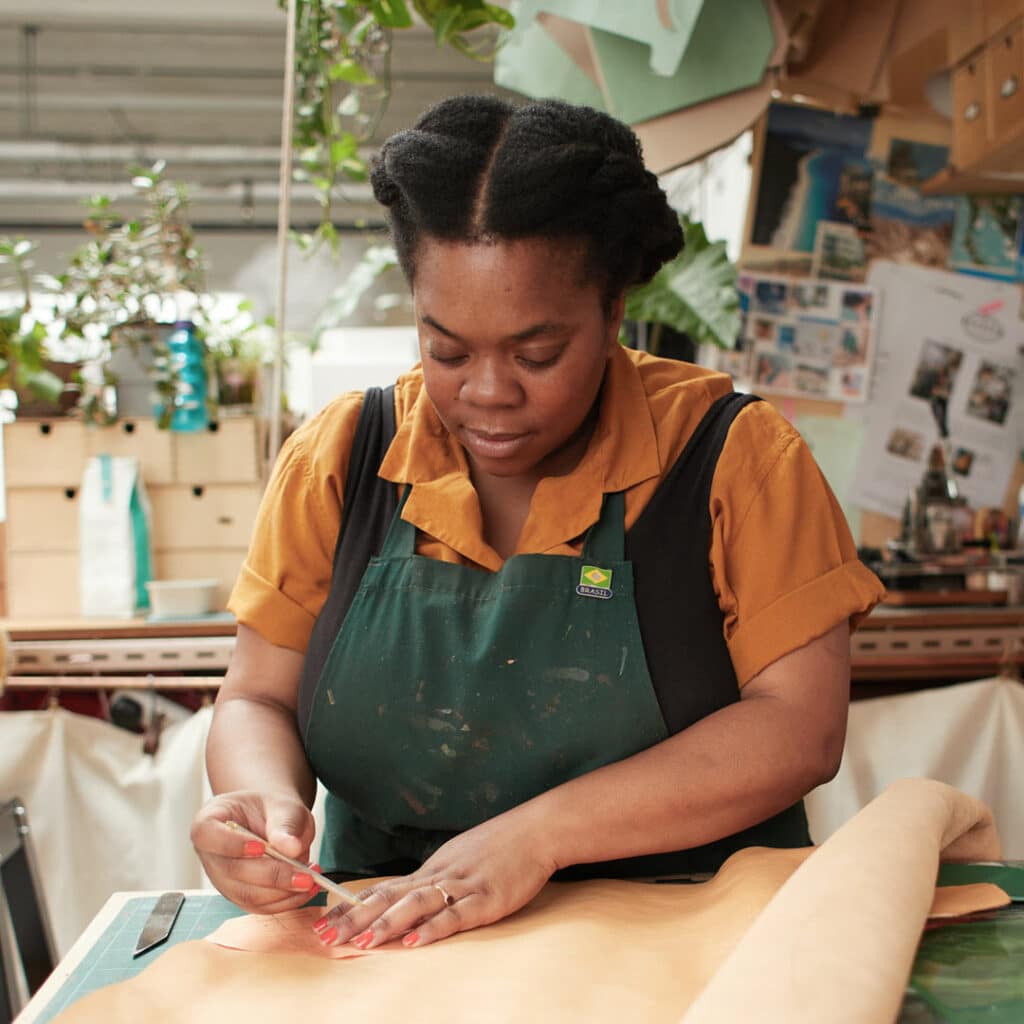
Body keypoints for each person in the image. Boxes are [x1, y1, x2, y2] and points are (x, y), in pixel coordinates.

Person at [191, 95, 885, 953]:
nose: (487, 392)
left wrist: (537, 837)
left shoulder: (735, 459)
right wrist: (262, 803)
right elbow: (258, 696)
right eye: (445, 350)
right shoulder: (339, 459)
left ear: (614, 313)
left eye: (536, 355)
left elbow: (800, 727)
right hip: (393, 952)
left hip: (699, 947)